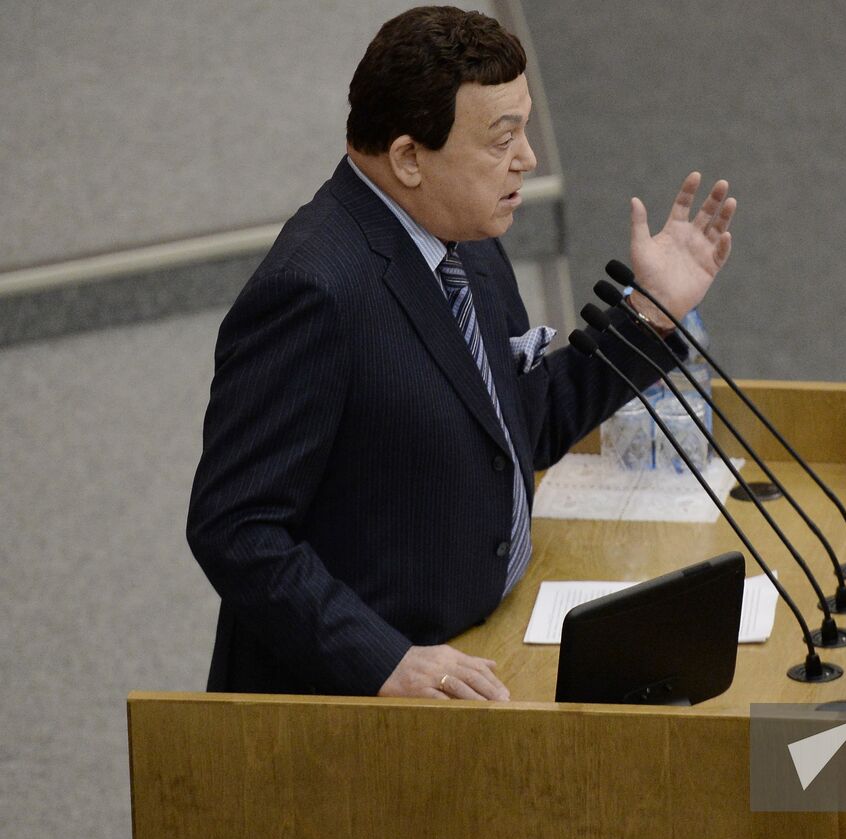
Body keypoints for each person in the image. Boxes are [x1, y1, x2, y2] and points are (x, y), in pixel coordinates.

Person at [186, 7, 736, 701]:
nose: (529, 159)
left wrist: (650, 311)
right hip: (356, 703)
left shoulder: (466, 239)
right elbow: (235, 526)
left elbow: (518, 425)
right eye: (501, 139)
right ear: (410, 157)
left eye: (525, 128)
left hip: (489, 642)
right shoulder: (311, 291)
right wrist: (383, 658)